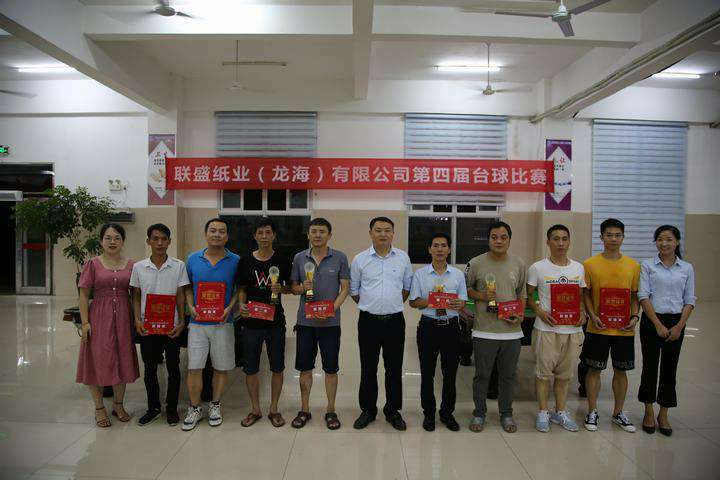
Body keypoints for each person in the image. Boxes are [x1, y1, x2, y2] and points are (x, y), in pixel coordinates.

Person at [351, 217, 413, 431]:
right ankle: (368, 410)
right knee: (368, 367)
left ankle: (392, 410)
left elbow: (406, 289)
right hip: (368, 321)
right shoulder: (360, 259)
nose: (383, 234)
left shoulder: (403, 258)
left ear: (393, 233)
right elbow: (354, 291)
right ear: (371, 233)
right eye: (378, 230)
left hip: (395, 321)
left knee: (394, 368)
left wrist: (389, 305)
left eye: (387, 230)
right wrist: (372, 305)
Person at [289, 218, 350, 430]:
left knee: (331, 368)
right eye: (314, 231)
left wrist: (330, 309)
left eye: (322, 231)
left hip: (330, 324)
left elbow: (345, 288)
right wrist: (302, 287)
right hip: (305, 323)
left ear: (329, 235)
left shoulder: (340, 257)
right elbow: (293, 287)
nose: (317, 235)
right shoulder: (299, 257)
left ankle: (331, 410)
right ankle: (304, 409)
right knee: (305, 368)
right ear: (308, 234)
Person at [465, 221, 526, 433]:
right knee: (482, 376)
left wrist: (520, 315)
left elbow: (521, 294)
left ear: (509, 239)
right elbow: (466, 289)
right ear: (488, 239)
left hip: (511, 332)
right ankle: (479, 413)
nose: (498, 241)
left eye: (503, 237)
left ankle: (506, 413)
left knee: (508, 376)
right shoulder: (475, 263)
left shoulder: (519, 263)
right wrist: (481, 295)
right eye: (494, 237)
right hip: (484, 330)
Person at [76, 223, 138, 427]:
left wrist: (137, 319)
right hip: (99, 317)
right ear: (101, 241)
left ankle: (118, 405)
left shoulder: (131, 265)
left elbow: (135, 295)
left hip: (123, 317)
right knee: (97, 360)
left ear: (123, 241)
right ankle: (99, 408)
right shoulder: (92, 264)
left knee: (122, 359)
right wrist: (85, 322)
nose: (112, 242)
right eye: (108, 238)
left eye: (117, 238)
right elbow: (84, 294)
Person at [582, 218, 640, 433]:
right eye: (609, 235)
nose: (613, 239)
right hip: (597, 327)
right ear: (601, 237)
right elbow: (586, 294)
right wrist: (592, 315)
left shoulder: (633, 266)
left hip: (624, 330)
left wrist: (634, 317)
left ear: (623, 237)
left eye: (617, 235)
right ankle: (592, 411)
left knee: (621, 371)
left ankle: (618, 412)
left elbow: (635, 296)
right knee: (594, 369)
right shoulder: (590, 264)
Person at [527, 225, 586, 433]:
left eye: (564, 239)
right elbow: (529, 296)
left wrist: (582, 313)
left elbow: (581, 297)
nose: (560, 243)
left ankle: (560, 411)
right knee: (543, 374)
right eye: (556, 239)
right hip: (546, 329)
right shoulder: (537, 268)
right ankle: (543, 412)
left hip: (572, 331)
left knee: (565, 376)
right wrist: (540, 312)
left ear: (569, 242)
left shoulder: (578, 268)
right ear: (548, 242)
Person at [182, 218, 240, 431]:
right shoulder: (192, 259)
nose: (217, 234)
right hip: (197, 323)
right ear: (206, 234)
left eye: (221, 231)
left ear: (227, 236)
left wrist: (230, 308)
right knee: (194, 366)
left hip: (223, 322)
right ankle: (194, 408)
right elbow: (187, 287)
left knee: (220, 366)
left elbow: (239, 289)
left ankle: (215, 405)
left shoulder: (236, 260)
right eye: (213, 231)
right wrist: (190, 306)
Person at [638, 225, 695, 436]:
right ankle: (648, 411)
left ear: (677, 242)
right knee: (650, 367)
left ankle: (664, 413)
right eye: (660, 239)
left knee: (670, 368)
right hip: (652, 319)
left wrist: (679, 326)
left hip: (676, 321)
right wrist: (658, 324)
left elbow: (690, 299)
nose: (664, 243)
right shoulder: (647, 265)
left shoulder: (686, 268)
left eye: (669, 239)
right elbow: (643, 296)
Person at [130, 224, 189, 426]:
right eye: (155, 239)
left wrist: (181, 321)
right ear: (148, 241)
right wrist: (137, 320)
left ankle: (172, 409)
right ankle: (153, 408)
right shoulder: (139, 267)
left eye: (164, 239)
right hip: (148, 327)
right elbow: (136, 296)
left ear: (169, 242)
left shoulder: (178, 266)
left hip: (171, 327)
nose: (160, 243)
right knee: (150, 369)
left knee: (174, 368)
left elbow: (180, 295)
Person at [236, 217, 292, 428]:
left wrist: (282, 288)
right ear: (255, 236)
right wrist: (241, 305)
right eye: (260, 233)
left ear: (274, 235)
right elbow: (242, 288)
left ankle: (274, 409)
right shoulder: (245, 261)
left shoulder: (283, 260)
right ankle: (255, 409)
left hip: (275, 323)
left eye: (268, 232)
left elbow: (290, 287)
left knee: (277, 367)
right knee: (251, 368)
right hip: (251, 324)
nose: (264, 236)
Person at [409, 233, 467, 432]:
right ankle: (429, 414)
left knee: (450, 374)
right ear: (429, 249)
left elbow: (463, 301)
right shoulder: (420, 274)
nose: (440, 249)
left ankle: (447, 413)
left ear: (449, 249)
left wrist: (459, 304)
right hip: (428, 327)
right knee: (427, 374)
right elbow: (414, 302)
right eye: (435, 245)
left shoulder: (458, 275)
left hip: (451, 327)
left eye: (443, 245)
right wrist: (434, 301)